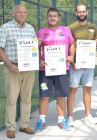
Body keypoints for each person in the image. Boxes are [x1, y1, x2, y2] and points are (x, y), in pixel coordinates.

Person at [0, 5, 41, 138]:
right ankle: (11, 127)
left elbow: (34, 47)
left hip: (28, 68)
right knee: (11, 99)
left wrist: (37, 44)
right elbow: (0, 48)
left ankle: (24, 125)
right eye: (19, 12)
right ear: (13, 13)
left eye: (24, 12)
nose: (22, 14)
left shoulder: (30, 28)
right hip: (13, 68)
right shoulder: (5, 28)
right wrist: (9, 65)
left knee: (26, 98)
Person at [35, 7, 75, 132]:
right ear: (47, 18)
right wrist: (38, 60)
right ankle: (41, 121)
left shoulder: (66, 30)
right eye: (50, 16)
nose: (52, 18)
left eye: (55, 16)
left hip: (62, 69)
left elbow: (72, 44)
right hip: (45, 70)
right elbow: (36, 48)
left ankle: (61, 120)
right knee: (44, 95)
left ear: (58, 18)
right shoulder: (41, 32)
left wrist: (71, 56)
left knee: (61, 95)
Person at [67, 3, 97, 127]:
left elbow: (96, 44)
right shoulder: (70, 27)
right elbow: (68, 47)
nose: (81, 14)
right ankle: (70, 117)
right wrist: (73, 63)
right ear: (76, 13)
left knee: (87, 89)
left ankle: (88, 115)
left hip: (89, 64)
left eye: (83, 11)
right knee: (73, 90)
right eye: (79, 12)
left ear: (87, 12)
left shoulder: (93, 27)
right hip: (76, 65)